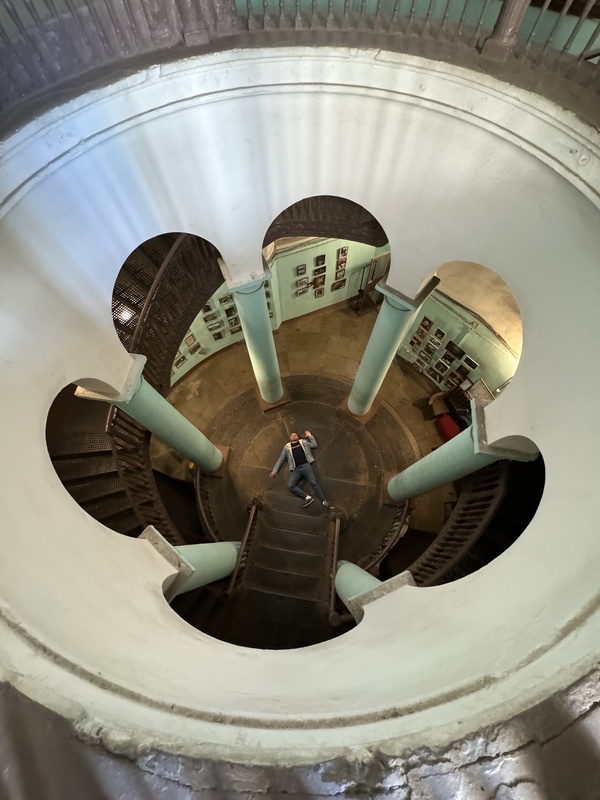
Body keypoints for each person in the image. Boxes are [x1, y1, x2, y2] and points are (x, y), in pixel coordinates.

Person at [269, 430, 333, 509]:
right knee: (290, 486)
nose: (294, 436)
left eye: (295, 435)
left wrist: (310, 436)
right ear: (290, 438)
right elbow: (281, 458)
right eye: (292, 435)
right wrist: (275, 470)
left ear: (298, 437)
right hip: (296, 469)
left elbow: (314, 445)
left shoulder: (303, 442)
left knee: (314, 483)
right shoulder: (287, 447)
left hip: (306, 466)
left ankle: (324, 502)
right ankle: (307, 497)